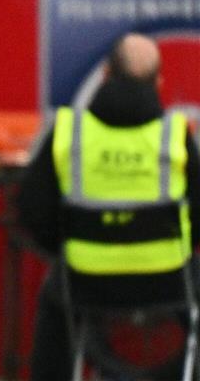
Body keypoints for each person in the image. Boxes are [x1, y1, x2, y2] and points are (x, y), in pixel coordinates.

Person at [17, 33, 200, 380]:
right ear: (158, 83)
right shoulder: (175, 135)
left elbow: (31, 208)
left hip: (86, 280)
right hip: (167, 280)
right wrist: (182, 248)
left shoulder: (68, 132)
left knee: (57, 301)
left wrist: (62, 247)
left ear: (105, 74)